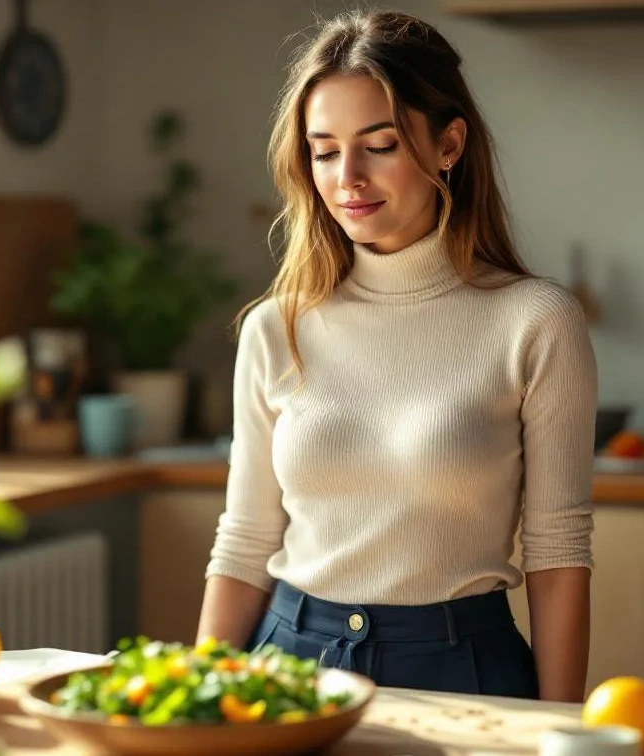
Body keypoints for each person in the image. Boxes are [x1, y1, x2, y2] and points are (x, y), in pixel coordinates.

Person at [196, 8, 597, 703]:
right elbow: (245, 541)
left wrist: (562, 731)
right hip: (284, 673)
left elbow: (559, 555)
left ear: (449, 144)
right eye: (323, 151)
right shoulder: (275, 327)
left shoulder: (536, 322)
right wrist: (192, 704)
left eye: (378, 145)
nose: (346, 176)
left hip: (465, 674)